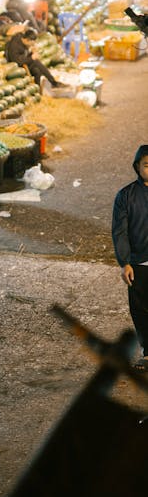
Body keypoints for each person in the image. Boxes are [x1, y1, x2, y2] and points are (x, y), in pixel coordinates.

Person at [112, 145, 148, 371]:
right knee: (141, 309)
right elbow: (120, 231)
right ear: (137, 167)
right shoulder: (125, 196)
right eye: (147, 165)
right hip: (139, 264)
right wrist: (124, 262)